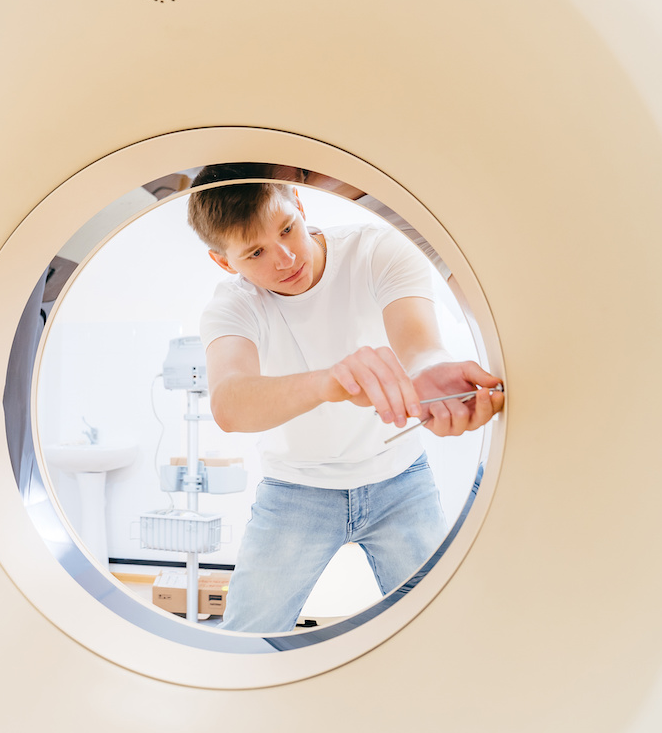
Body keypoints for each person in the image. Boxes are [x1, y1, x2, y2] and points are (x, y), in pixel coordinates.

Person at [188, 164, 504, 633]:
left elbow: (420, 347)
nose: (285, 257)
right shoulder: (232, 305)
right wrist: (328, 383)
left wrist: (429, 373)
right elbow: (230, 404)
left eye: (288, 229)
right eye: (255, 252)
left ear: (299, 204)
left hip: (401, 481)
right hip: (294, 492)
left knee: (445, 628)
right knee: (243, 642)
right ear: (224, 261)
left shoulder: (379, 250)